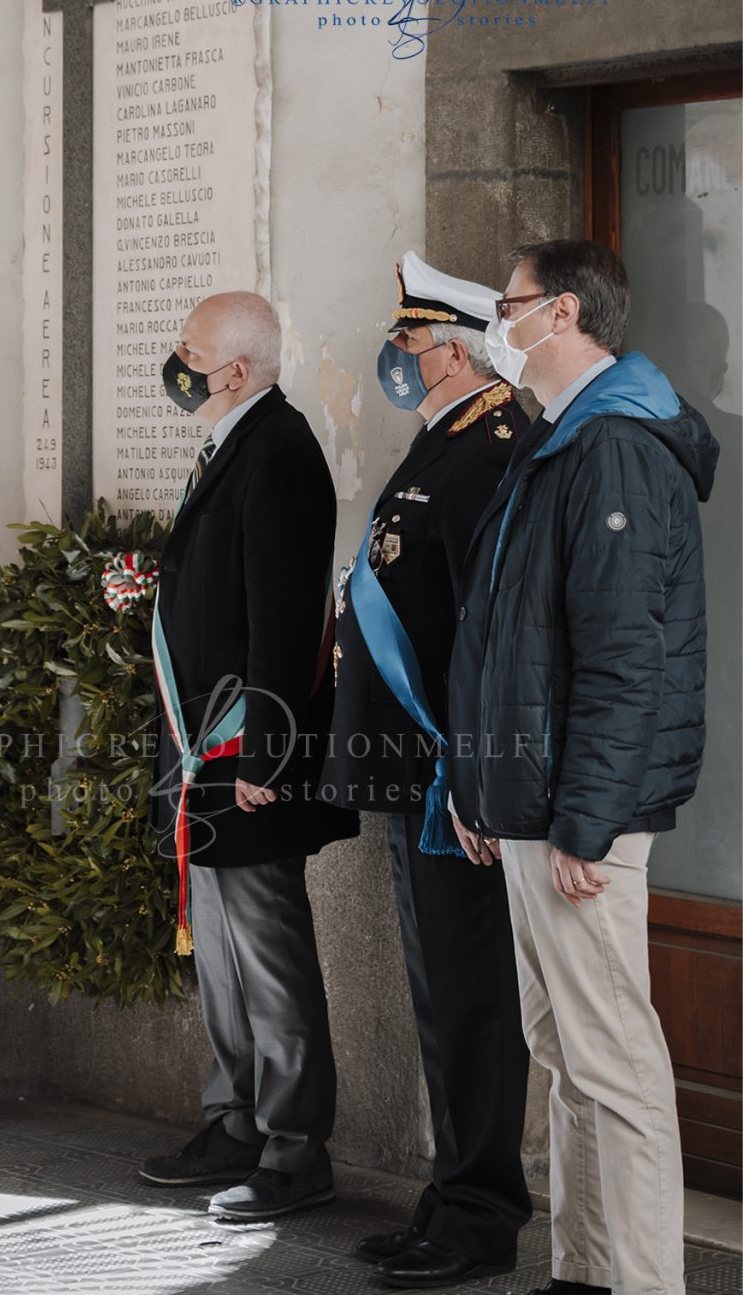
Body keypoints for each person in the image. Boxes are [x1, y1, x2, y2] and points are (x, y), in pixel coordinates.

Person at [447, 240, 719, 1295]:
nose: (492, 325)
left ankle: (643, 1283)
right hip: (534, 799)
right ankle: (583, 1269)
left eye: (505, 304)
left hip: (578, 812)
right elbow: (514, 640)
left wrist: (585, 819)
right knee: (563, 1053)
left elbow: (623, 655)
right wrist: (480, 787)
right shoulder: (563, 435)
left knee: (614, 1068)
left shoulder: (611, 445)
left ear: (559, 312)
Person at [321, 251, 532, 1289]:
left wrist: (480, 779)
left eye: (406, 340)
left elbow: (491, 639)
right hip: (419, 773)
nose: (393, 356)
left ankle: (483, 1215)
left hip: (458, 781)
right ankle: (450, 1196)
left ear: (452, 350)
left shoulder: (490, 451)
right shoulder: (442, 442)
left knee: (475, 1001)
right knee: (440, 998)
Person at [138, 291, 358, 1221]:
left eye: (191, 349)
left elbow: (284, 618)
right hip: (209, 757)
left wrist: (268, 755)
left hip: (246, 758)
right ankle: (236, 1122)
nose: (177, 359)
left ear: (233, 369)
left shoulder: (280, 451)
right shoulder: (235, 442)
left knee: (267, 956)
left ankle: (297, 1147)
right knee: (223, 957)